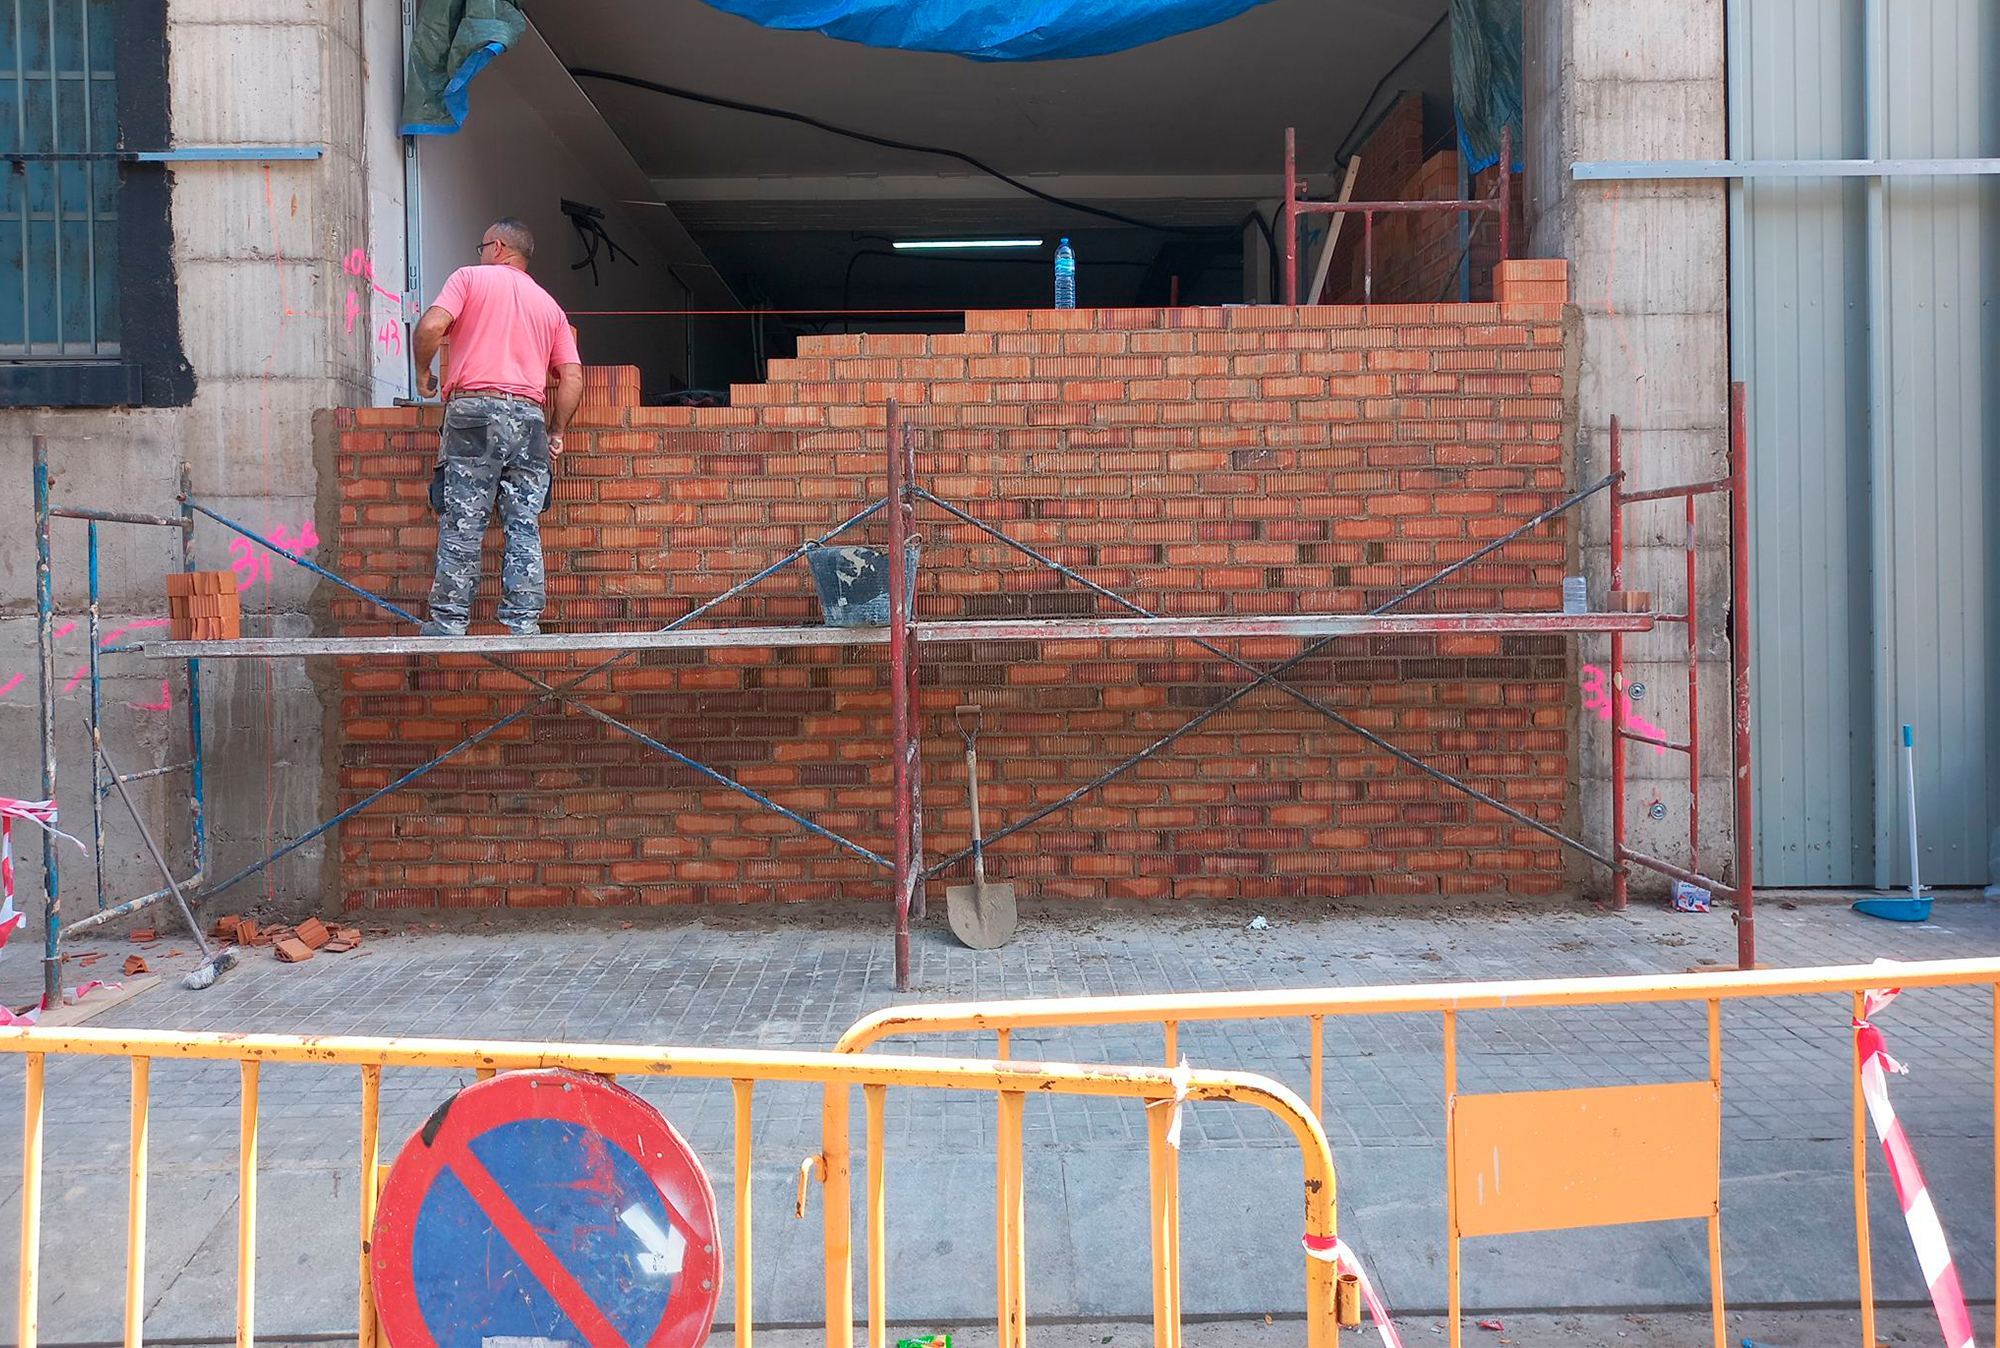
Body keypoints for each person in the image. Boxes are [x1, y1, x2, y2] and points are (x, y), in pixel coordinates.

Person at [411, 218, 584, 637]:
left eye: (483, 245)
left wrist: (422, 374)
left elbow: (433, 326)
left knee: (464, 520)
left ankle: (449, 623)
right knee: (524, 524)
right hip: (528, 417)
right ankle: (523, 623)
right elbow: (573, 377)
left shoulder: (470, 278)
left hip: (474, 411)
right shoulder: (550, 306)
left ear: (499, 247)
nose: (481, 252)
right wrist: (556, 431)